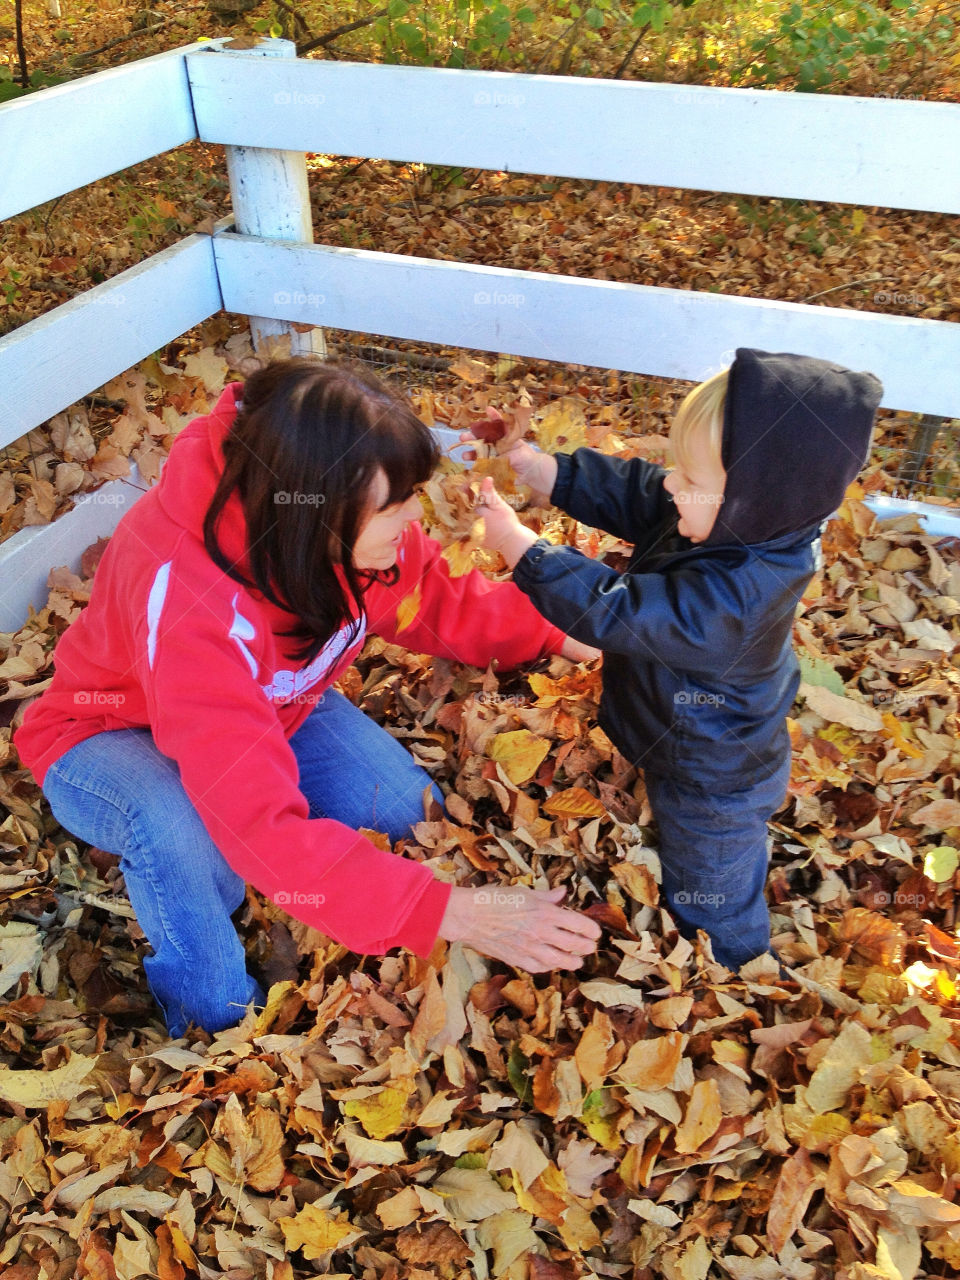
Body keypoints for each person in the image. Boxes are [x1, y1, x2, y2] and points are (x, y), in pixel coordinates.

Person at [14, 358, 601, 1037]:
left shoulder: (340, 516)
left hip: (268, 705)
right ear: (312, 516)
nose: (414, 520)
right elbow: (257, 823)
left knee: (405, 812)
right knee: (184, 830)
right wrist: (454, 914)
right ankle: (214, 1022)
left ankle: (334, 900)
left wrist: (574, 632)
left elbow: (436, 601)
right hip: (105, 734)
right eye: (396, 508)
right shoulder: (191, 601)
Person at [472, 348, 882, 971]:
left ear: (752, 502)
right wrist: (539, 467)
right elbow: (635, 491)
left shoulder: (740, 596)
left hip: (713, 776)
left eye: (691, 480)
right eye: (678, 469)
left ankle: (739, 969)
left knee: (711, 882)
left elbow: (618, 611)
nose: (670, 484)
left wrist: (519, 546)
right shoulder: (720, 519)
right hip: (685, 735)